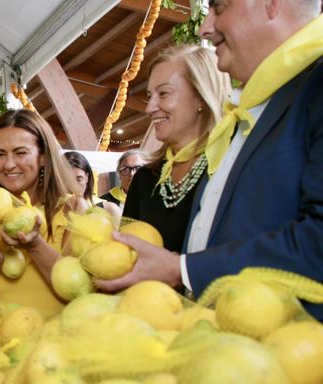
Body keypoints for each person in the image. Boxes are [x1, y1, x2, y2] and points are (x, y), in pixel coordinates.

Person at [98, 0, 323, 321]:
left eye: (219, 7)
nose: (205, 27)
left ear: (271, 5)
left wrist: (183, 269)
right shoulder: (257, 108)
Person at [0, 109, 84, 319]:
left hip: (56, 346)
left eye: (20, 152)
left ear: (43, 157)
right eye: (0, 154)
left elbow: (78, 291)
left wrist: (34, 246)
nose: (8, 164)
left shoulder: (73, 209)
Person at [122, 45, 230, 252]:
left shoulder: (230, 168)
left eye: (163, 93)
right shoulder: (145, 179)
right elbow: (124, 255)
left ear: (201, 96)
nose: (149, 107)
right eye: (149, 95)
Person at [64, 151, 120, 219]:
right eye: (67, 181)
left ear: (87, 177)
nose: (73, 187)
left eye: (79, 179)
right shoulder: (52, 209)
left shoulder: (109, 209)